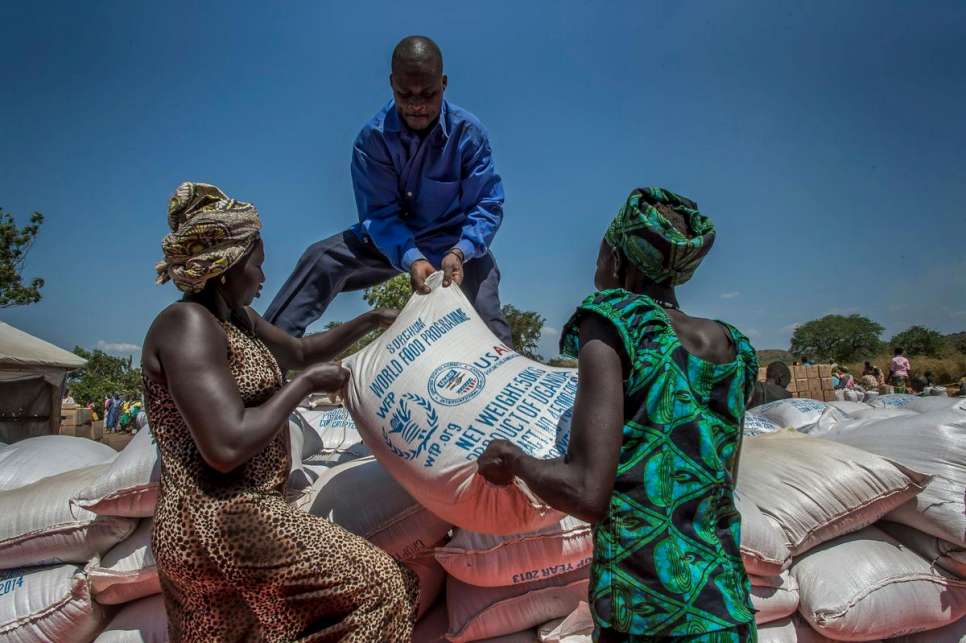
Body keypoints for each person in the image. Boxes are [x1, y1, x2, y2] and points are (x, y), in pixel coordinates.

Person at [478, 187, 758, 642]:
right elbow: (720, 483)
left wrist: (514, 462)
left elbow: (587, 492)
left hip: (649, 616)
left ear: (619, 256)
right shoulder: (735, 346)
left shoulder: (613, 320)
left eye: (603, 246)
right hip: (727, 609)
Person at [143, 182, 417, 641]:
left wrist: (368, 321)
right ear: (226, 267)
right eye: (258, 265)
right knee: (382, 590)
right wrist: (303, 387)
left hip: (235, 519)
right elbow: (225, 446)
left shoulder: (236, 321)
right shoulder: (186, 325)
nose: (264, 278)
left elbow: (302, 350)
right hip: (220, 520)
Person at [265, 35, 512, 346]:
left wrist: (462, 250)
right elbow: (380, 216)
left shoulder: (468, 133)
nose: (417, 104)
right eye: (404, 94)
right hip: (389, 240)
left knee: (488, 324)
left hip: (457, 246)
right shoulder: (372, 140)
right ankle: (265, 355)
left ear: (444, 84)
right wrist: (411, 258)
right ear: (391, 83)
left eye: (428, 93)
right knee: (322, 258)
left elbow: (487, 204)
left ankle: (506, 376)